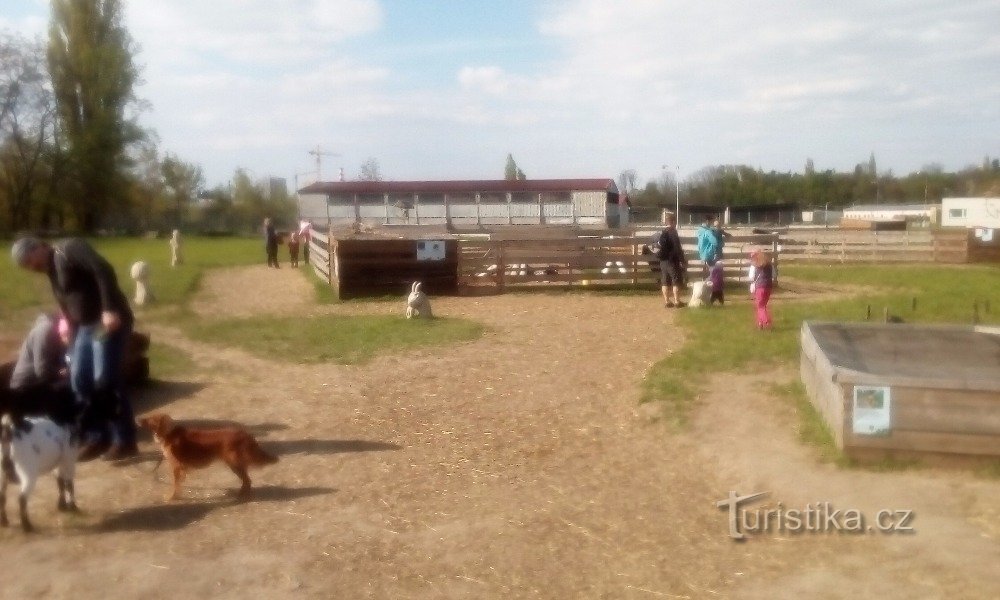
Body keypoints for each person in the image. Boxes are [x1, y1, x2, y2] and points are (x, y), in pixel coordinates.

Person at [11, 236, 139, 460]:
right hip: (83, 328)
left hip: (105, 324)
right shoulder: (51, 268)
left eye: (30, 262)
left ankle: (124, 440)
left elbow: (103, 269)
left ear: (39, 246)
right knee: (79, 378)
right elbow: (66, 297)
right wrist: (66, 323)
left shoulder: (68, 249)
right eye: (28, 267)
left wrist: (109, 308)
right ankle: (96, 436)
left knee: (106, 380)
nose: (33, 268)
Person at [9, 313, 68, 390]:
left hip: (44, 382)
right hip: (27, 386)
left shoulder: (62, 330)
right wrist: (61, 373)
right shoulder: (45, 330)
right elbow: (42, 371)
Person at [656, 214, 687, 308]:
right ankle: (677, 301)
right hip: (672, 260)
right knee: (676, 281)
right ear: (673, 222)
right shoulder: (673, 232)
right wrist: (682, 260)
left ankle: (667, 301)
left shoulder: (663, 232)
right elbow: (677, 248)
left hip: (663, 260)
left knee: (665, 281)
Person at [750, 250, 774, 330]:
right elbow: (774, 275)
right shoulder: (770, 265)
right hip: (769, 286)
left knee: (760, 306)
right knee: (763, 305)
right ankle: (760, 324)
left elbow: (751, 276)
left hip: (760, 287)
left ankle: (766, 320)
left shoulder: (754, 265)